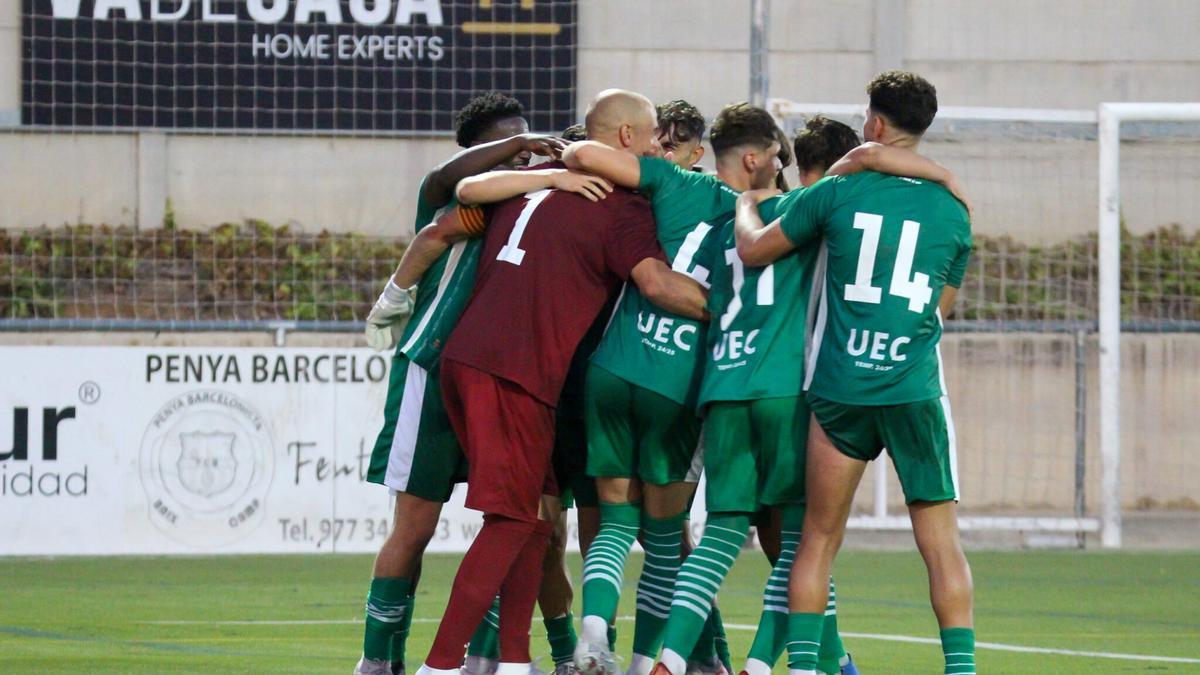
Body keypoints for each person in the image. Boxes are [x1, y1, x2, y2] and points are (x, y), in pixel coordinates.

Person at [414, 88, 709, 675]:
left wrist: (547, 176)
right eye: (651, 136)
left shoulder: (539, 177)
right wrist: (746, 314)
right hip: (515, 370)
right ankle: (441, 666)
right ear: (626, 139)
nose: (656, 148)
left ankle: (518, 661)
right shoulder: (619, 205)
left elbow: (465, 190)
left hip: (472, 359)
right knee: (516, 521)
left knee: (530, 520)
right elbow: (656, 285)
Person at [734, 71, 976, 675]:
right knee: (941, 544)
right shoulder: (954, 212)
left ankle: (808, 668)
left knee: (817, 539)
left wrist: (744, 204)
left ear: (872, 123)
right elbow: (939, 311)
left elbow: (755, 249)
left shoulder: (836, 193)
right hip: (913, 388)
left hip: (840, 390)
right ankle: (962, 670)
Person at [355, 91, 597, 675]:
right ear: (479, 151)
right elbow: (436, 222)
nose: (522, 155)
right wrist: (392, 298)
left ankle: (518, 657)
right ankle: (377, 661)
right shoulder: (454, 197)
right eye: (506, 143)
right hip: (434, 373)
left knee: (533, 524)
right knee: (414, 526)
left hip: (509, 378)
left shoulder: (536, 205)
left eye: (526, 140)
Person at [563, 102, 779, 675]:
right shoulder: (775, 222)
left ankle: (591, 637)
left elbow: (584, 151)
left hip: (613, 365)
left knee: (614, 522)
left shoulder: (671, 182)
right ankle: (640, 666)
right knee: (663, 539)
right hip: (678, 382)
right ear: (758, 161)